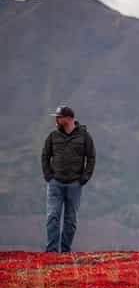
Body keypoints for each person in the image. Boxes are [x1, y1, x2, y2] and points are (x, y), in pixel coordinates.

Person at [41, 106, 96, 253]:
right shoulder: (52, 136)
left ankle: (65, 252)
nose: (56, 119)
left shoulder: (84, 136)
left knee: (70, 221)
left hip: (74, 185)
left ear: (68, 118)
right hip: (55, 184)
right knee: (53, 216)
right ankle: (51, 253)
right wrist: (49, 177)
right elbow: (45, 156)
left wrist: (84, 179)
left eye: (59, 117)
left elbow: (91, 158)